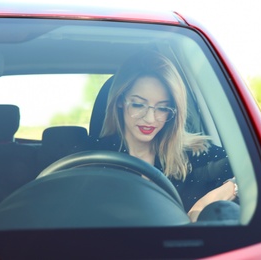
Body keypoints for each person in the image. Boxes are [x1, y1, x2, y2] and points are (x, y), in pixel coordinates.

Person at [96, 50, 238, 222]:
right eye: (139, 104)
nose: (150, 119)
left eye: (163, 108)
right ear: (119, 100)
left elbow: (250, 172)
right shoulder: (90, 156)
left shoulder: (194, 154)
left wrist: (209, 201)